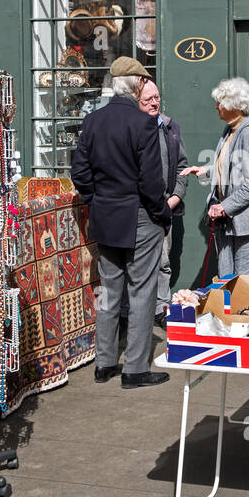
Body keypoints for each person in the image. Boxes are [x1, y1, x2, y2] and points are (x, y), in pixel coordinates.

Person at [70, 56, 171, 388]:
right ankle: (135, 370)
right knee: (142, 292)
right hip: (139, 215)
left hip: (105, 215)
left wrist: (96, 199)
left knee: (110, 291)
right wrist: (161, 214)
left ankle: (104, 364)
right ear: (137, 85)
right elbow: (151, 182)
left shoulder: (93, 120)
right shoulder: (142, 123)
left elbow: (80, 173)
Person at [180, 77, 249, 283]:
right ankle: (230, 316)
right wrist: (204, 171)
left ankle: (246, 317)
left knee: (244, 283)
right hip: (230, 222)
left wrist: (224, 206)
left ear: (234, 105)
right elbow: (231, 168)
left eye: (220, 103)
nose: (216, 107)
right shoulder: (231, 129)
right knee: (227, 281)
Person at [137, 79, 189, 325]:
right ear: (136, 101)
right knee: (136, 264)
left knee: (163, 262)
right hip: (137, 209)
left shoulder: (170, 127)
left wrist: (176, 197)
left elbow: (182, 166)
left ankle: (160, 310)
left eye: (156, 97)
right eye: (148, 99)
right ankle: (132, 313)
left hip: (164, 207)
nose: (154, 102)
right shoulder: (132, 128)